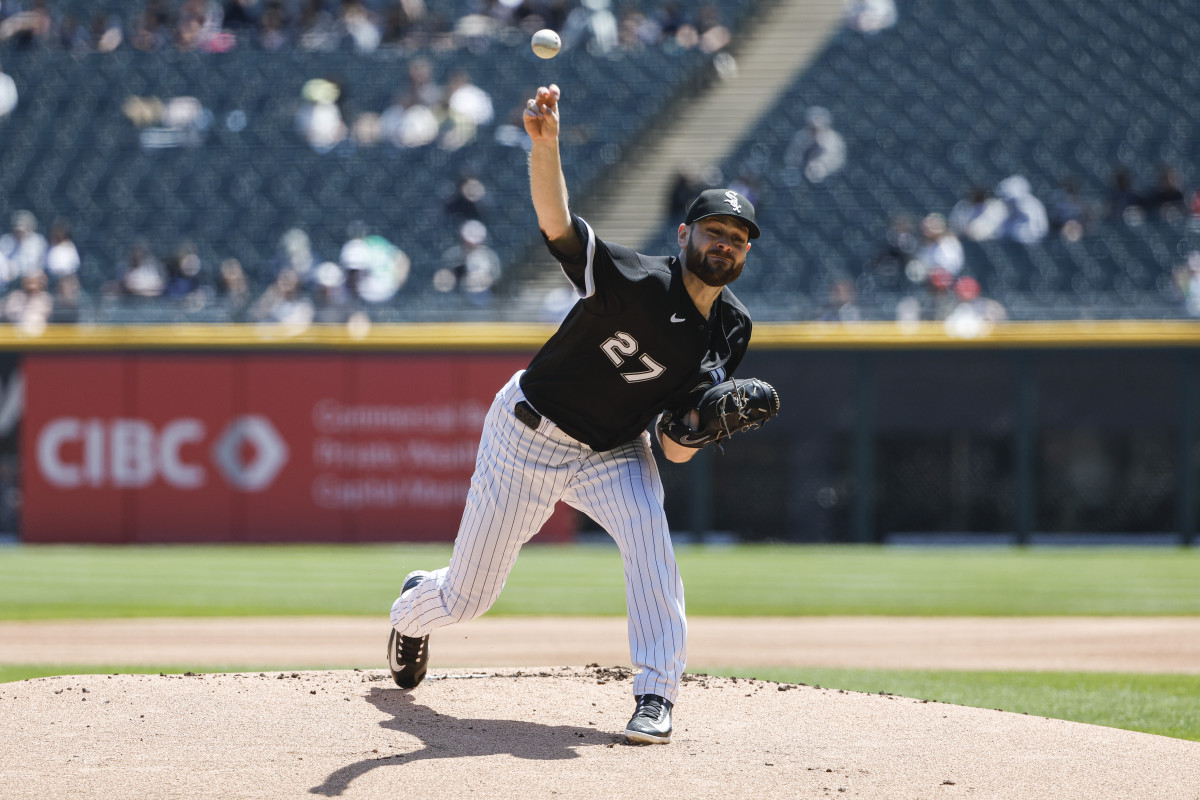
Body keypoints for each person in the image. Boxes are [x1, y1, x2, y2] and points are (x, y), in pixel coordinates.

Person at [387, 83, 761, 746]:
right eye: (714, 231)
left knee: (651, 542)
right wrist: (547, 146)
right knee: (466, 598)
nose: (725, 244)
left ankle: (655, 695)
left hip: (614, 450)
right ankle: (412, 610)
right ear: (685, 235)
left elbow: (672, 446)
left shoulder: (732, 330)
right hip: (528, 433)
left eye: (737, 237)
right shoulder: (636, 280)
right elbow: (558, 225)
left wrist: (702, 429)